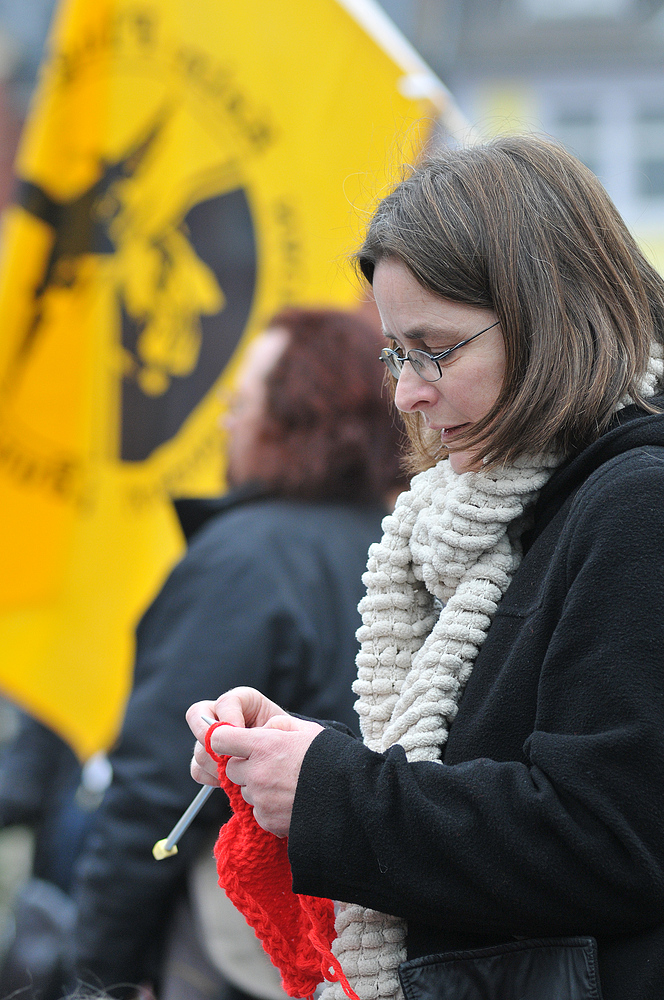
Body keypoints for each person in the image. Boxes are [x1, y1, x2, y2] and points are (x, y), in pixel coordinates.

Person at [187, 134, 664, 1000]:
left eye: (434, 349)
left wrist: (330, 788)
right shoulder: (510, 507)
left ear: (555, 321)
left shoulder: (638, 502)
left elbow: (613, 838)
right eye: (394, 354)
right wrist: (297, 758)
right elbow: (487, 774)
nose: (406, 392)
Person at [71, 307, 406, 999]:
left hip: (243, 946)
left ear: (296, 419)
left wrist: (95, 972)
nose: (224, 423)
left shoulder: (242, 559)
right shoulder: (401, 543)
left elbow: (154, 790)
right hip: (372, 938)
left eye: (240, 404)